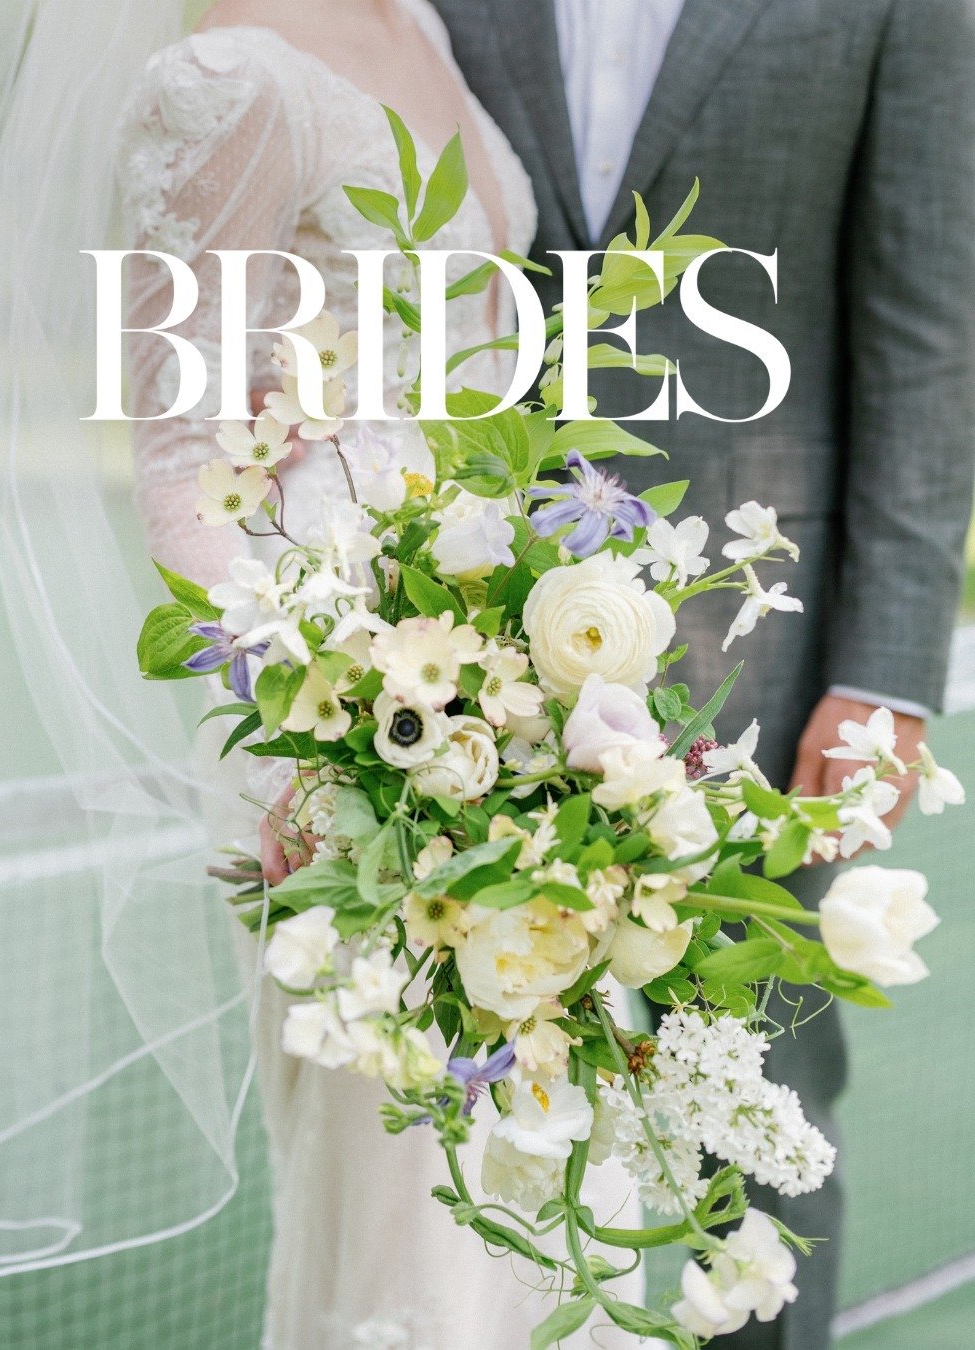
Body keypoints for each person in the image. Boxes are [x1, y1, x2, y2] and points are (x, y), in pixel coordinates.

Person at [430, 1, 975, 1346]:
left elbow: (928, 329)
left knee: (757, 1102)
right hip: (458, 631)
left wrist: (888, 674)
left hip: (764, 651)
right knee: (467, 1095)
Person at [122, 1, 645, 1345]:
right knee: (411, 1199)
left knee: (551, 1164)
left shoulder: (422, 17)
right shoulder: (224, 73)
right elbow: (183, 463)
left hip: (516, 688)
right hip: (353, 738)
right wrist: (328, 732)